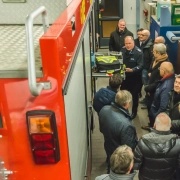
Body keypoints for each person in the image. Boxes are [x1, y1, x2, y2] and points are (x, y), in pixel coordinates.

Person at [99, 90, 138, 173]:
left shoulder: (104, 110)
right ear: (127, 104)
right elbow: (128, 148)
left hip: (109, 147)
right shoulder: (126, 125)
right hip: (120, 159)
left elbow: (101, 129)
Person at [134, 113, 180, 180]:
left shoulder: (142, 143)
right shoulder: (178, 144)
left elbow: (136, 165)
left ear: (154, 125)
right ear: (170, 126)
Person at [141, 43, 169, 130]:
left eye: (154, 51)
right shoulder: (155, 58)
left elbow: (159, 81)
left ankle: (155, 127)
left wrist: (148, 88)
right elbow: (151, 68)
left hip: (156, 91)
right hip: (150, 88)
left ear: (159, 53)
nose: (152, 53)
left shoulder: (164, 64)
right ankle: (151, 124)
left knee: (154, 110)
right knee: (149, 108)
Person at [120, 36, 143, 119]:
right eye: (126, 43)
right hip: (125, 78)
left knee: (134, 96)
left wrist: (132, 70)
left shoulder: (138, 52)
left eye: (129, 43)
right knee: (123, 96)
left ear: (133, 43)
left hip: (135, 79)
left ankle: (134, 112)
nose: (128, 45)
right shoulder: (122, 50)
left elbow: (141, 65)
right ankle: (123, 110)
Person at [148, 62, 175, 127]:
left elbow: (163, 107)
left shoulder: (166, 87)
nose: (159, 70)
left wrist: (156, 117)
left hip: (157, 114)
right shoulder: (170, 79)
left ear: (163, 71)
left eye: (160, 68)